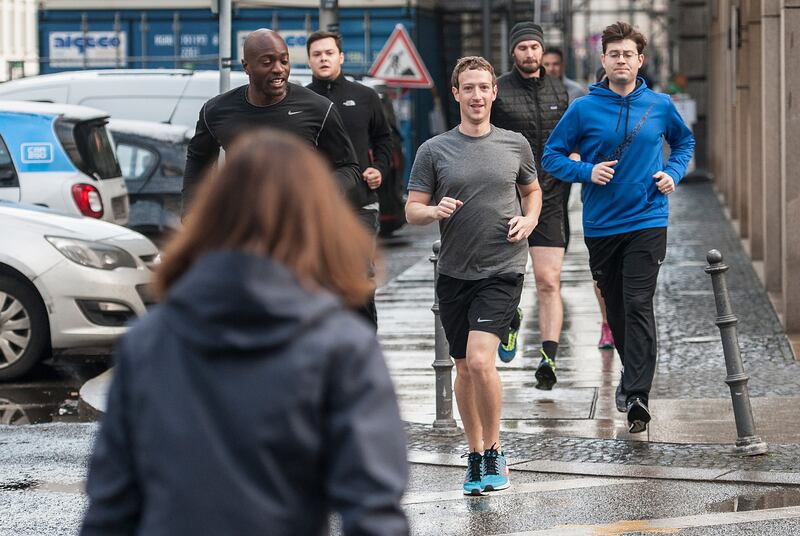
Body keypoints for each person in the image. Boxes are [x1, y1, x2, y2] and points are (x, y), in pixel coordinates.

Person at [81, 129, 409, 536]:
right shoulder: (342, 346)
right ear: (320, 220)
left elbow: (111, 509)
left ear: (214, 214)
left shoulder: (150, 339)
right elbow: (374, 514)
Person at [542, 21, 695, 433]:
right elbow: (551, 157)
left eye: (628, 54)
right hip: (601, 225)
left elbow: (685, 143)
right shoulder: (583, 109)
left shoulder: (660, 105)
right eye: (614, 54)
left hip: (648, 219)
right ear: (604, 60)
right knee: (617, 308)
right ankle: (632, 381)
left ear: (640, 60)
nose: (621, 60)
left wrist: (673, 174)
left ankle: (638, 395)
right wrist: (588, 172)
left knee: (638, 303)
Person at [406, 56, 542, 495]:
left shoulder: (514, 144)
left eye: (484, 87)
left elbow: (532, 190)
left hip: (502, 266)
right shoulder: (434, 150)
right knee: (463, 368)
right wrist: (433, 210)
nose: (478, 95)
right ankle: (475, 453)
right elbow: (412, 210)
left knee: (482, 361)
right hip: (454, 271)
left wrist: (530, 220)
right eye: (469, 88)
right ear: (457, 93)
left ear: (493, 92)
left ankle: (496, 449)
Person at [181, 28, 361, 213]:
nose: (278, 69)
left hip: (299, 227)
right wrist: (191, 210)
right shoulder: (216, 110)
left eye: (284, 61)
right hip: (241, 227)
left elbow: (349, 167)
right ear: (246, 66)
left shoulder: (319, 108)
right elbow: (198, 159)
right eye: (267, 62)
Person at [490, 22, 569, 391]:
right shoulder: (499, 92)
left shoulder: (559, 90)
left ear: (542, 51)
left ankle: (548, 357)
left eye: (534, 47)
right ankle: (511, 319)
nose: (529, 53)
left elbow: (571, 140)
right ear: (513, 52)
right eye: (522, 47)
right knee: (510, 278)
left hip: (551, 198)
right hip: (509, 201)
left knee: (549, 280)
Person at [306, 30, 394, 328]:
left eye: (329, 53)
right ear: (309, 60)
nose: (323, 59)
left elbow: (385, 138)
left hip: (361, 204)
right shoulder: (301, 100)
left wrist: (379, 168)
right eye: (317, 54)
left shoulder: (365, 96)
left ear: (341, 57)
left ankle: (365, 344)